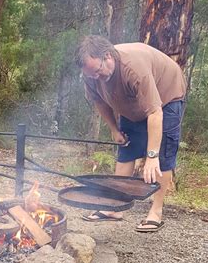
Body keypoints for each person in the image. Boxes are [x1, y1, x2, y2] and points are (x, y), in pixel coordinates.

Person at [76, 35, 186, 232]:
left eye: (98, 71)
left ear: (108, 57)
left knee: (163, 155)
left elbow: (154, 112)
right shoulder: (91, 74)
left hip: (166, 97)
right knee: (126, 149)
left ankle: (156, 211)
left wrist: (151, 156)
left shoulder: (133, 69)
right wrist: (114, 129)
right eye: (91, 74)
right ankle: (115, 207)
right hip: (130, 102)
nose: (95, 77)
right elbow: (99, 102)